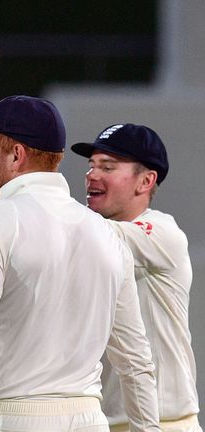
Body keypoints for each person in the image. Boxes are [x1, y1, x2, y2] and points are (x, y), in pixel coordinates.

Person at [0, 96, 161, 432]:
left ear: (16, 155)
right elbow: (135, 359)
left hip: (10, 419)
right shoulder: (109, 234)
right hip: (89, 421)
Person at [71, 124, 201, 432]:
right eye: (91, 165)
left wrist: (17, 210)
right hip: (103, 422)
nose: (92, 174)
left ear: (146, 181)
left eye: (108, 166)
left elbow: (85, 233)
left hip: (167, 423)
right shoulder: (84, 237)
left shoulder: (162, 232)